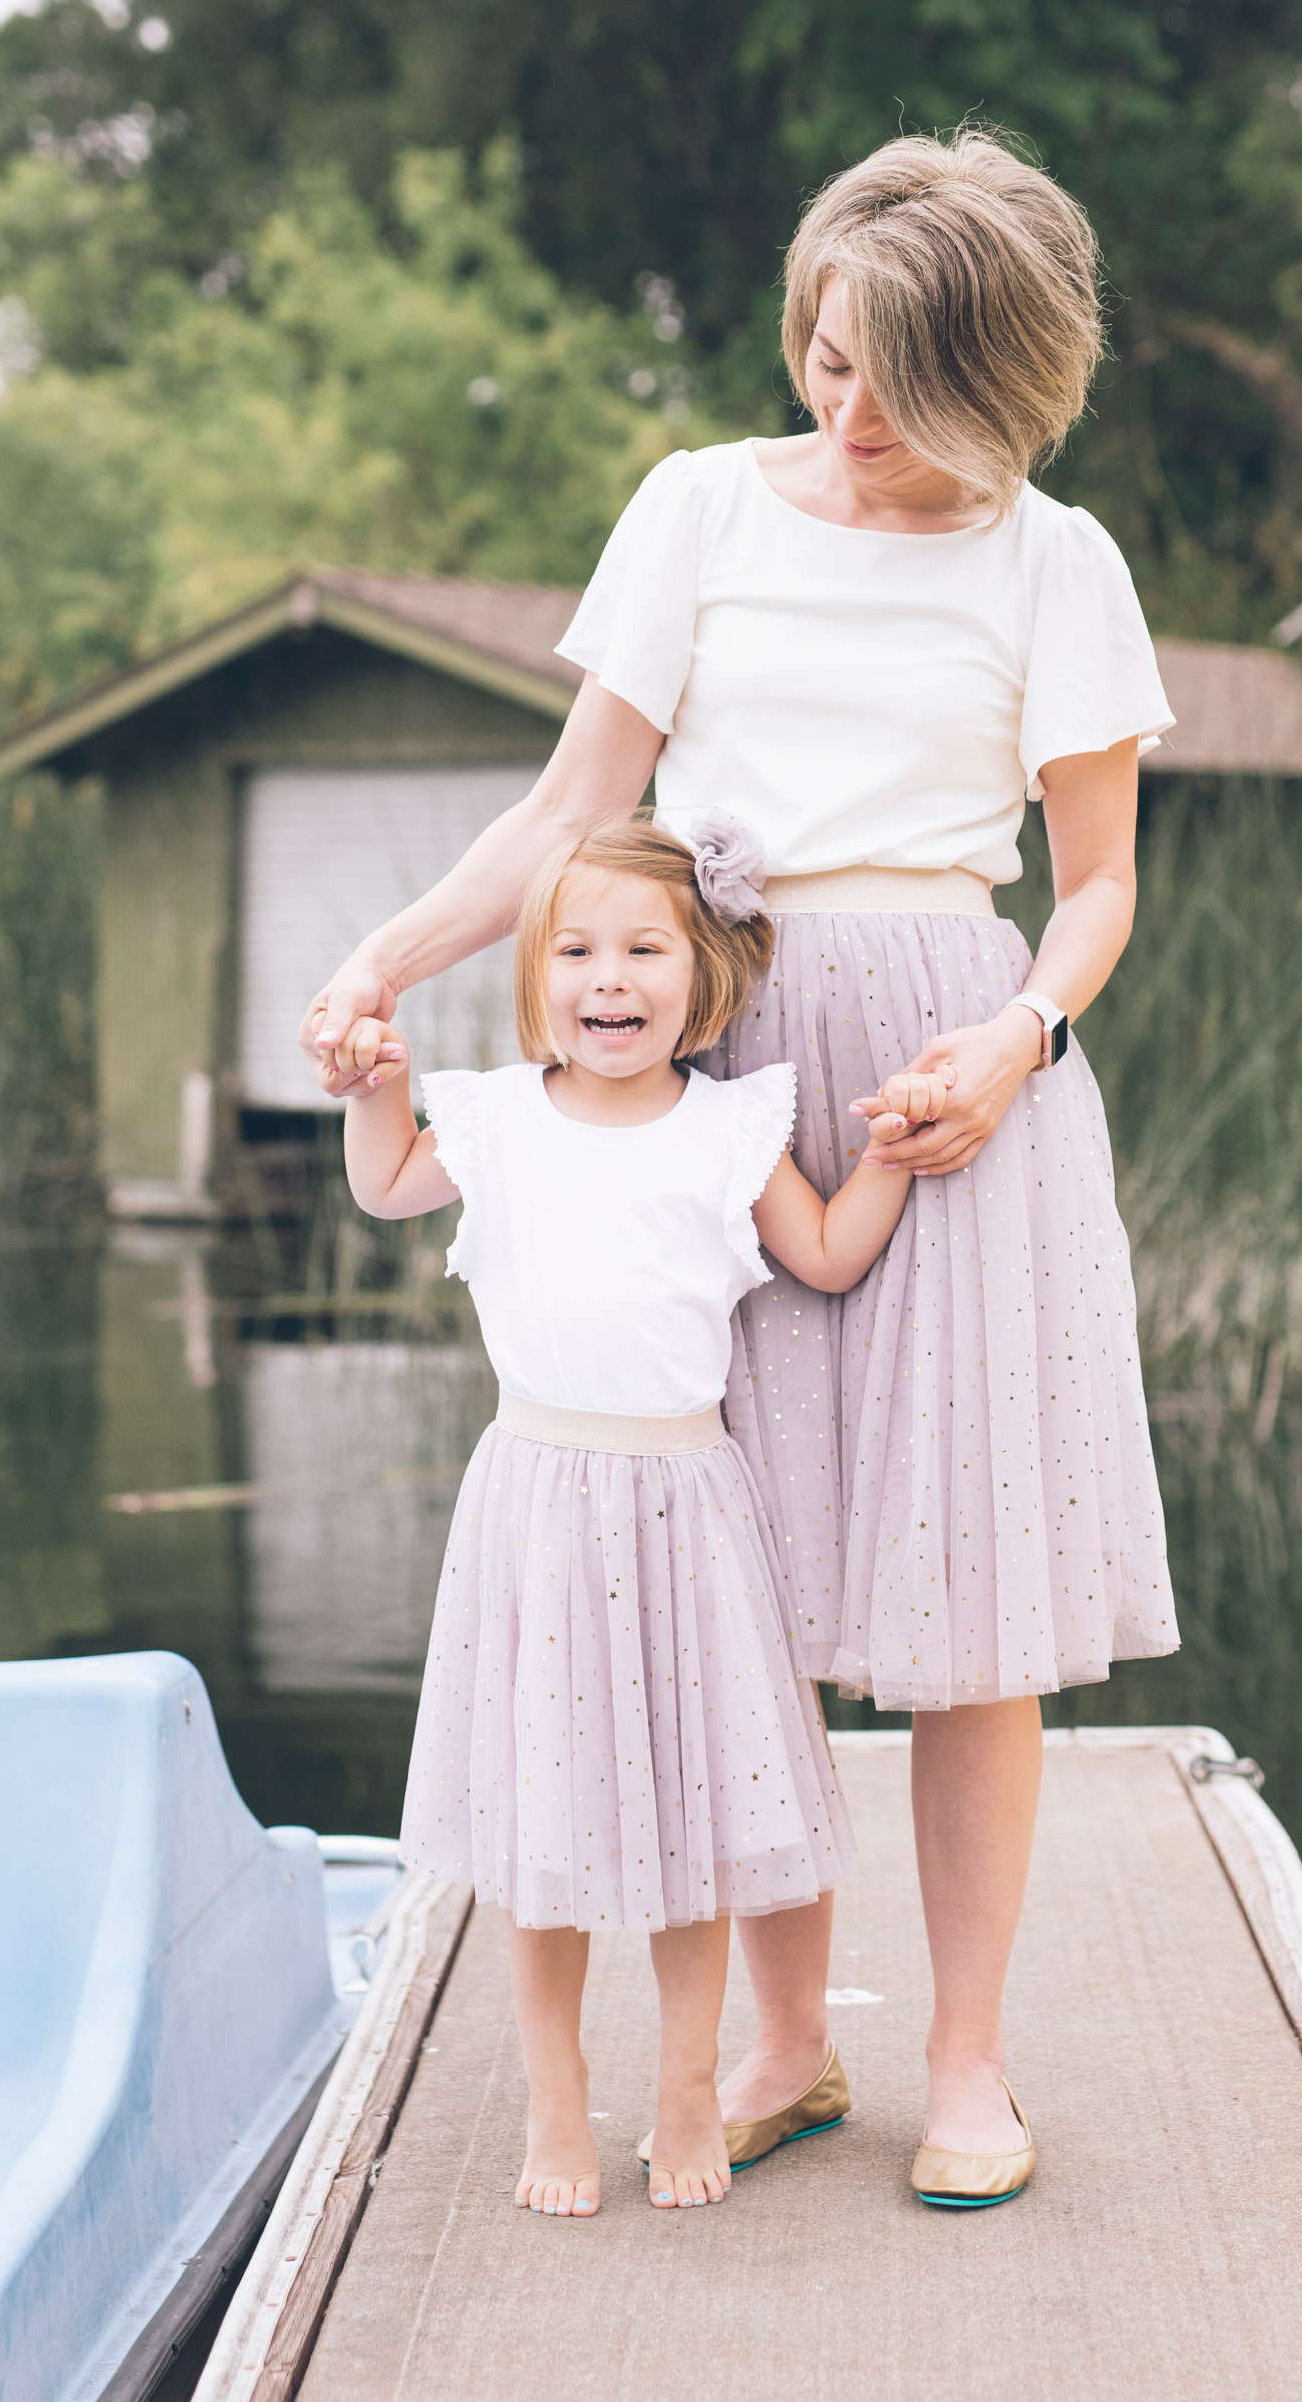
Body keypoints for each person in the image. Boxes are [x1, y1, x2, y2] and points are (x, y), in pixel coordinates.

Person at [307, 124, 1180, 2210]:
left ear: (1004, 378)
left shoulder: (1058, 561)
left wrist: (1017, 1037)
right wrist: (389, 958)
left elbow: (1096, 886)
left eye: (892, 377)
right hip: (731, 1054)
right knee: (748, 1563)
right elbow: (567, 810)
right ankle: (783, 2042)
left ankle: (960, 2064)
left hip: (959, 1078)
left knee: (970, 1602)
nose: (843, 411)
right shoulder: (694, 509)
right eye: (819, 356)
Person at [339, 816, 944, 2218]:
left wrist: (901, 1152)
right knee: (542, 1837)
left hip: (684, 1505)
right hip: (536, 1505)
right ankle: (556, 2099)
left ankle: (686, 2085)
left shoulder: (732, 1127)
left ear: (701, 974)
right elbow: (383, 1184)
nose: (608, 979)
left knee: (690, 1824)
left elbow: (832, 1256)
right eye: (576, 950)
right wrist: (379, 1083)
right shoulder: (490, 1114)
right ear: (537, 975)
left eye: (641, 950)